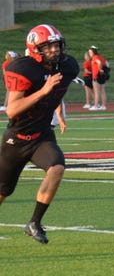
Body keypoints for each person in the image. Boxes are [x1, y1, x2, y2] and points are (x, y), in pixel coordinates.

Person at [1, 24, 79, 244]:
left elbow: (58, 92)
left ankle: (34, 222)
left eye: (57, 45)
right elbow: (12, 110)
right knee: (3, 190)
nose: (55, 50)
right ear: (35, 48)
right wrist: (43, 90)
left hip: (42, 135)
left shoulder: (68, 66)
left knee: (57, 168)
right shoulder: (24, 68)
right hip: (17, 138)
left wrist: (59, 113)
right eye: (48, 46)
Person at [88, 46, 109, 110]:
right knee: (102, 91)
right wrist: (105, 70)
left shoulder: (95, 57)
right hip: (101, 76)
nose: (89, 54)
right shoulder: (101, 57)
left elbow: (99, 62)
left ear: (93, 52)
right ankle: (103, 106)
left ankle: (96, 106)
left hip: (96, 76)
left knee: (96, 92)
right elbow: (107, 63)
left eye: (90, 52)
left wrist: (100, 69)